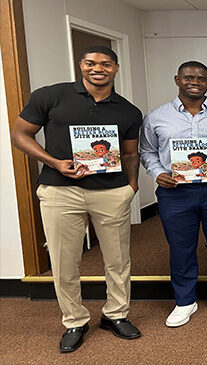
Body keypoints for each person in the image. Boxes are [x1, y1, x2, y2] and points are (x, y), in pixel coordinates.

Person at [10, 46, 142, 352]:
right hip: (60, 190)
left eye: (106, 64)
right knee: (64, 261)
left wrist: (131, 187)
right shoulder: (51, 96)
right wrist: (54, 162)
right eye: (91, 63)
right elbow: (20, 135)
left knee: (118, 260)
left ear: (116, 68)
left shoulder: (127, 110)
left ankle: (116, 314)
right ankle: (74, 320)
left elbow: (131, 153)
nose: (98, 69)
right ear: (80, 65)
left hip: (111, 192)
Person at [140, 61, 207, 327]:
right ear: (177, 80)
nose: (194, 82)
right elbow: (147, 151)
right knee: (181, 247)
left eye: (201, 78)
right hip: (175, 192)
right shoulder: (155, 117)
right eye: (188, 77)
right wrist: (156, 173)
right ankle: (185, 300)